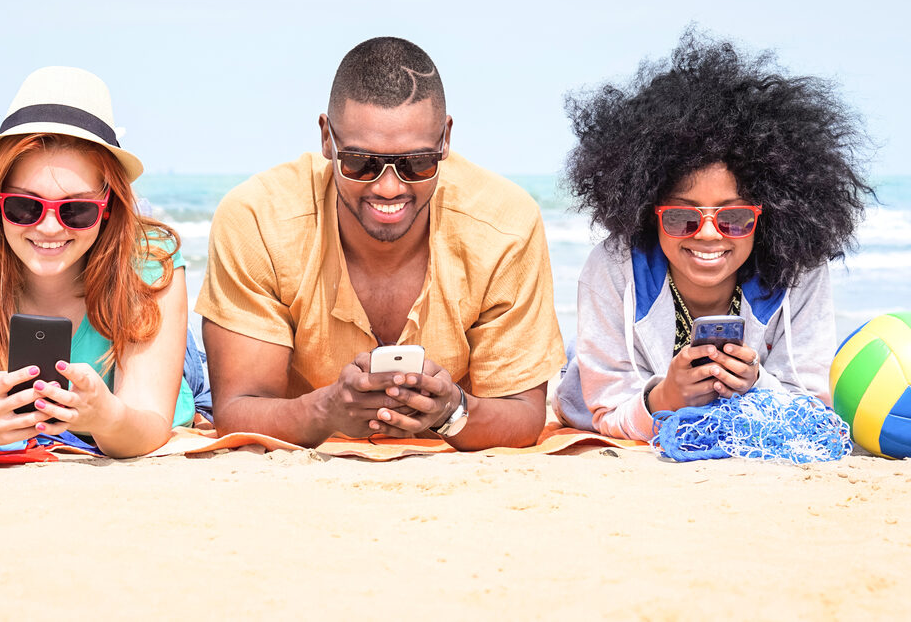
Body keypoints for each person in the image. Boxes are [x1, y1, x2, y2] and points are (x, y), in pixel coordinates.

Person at [196, 37, 565, 450]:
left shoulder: (504, 225)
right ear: (326, 140)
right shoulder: (258, 220)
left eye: (417, 163)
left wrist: (453, 412)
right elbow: (238, 411)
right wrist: (328, 409)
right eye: (360, 162)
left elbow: (523, 415)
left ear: (445, 140)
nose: (389, 187)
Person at [553, 29, 874, 441]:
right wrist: (666, 396)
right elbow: (607, 412)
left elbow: (813, 403)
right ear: (651, 214)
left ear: (769, 211)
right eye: (681, 218)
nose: (707, 234)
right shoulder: (613, 267)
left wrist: (755, 383)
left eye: (734, 217)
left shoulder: (800, 269)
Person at [0, 66, 198, 458]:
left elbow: (149, 424)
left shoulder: (150, 260)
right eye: (24, 206)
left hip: (160, 359)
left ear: (110, 207)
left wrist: (107, 419)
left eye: (77, 210)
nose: (49, 227)